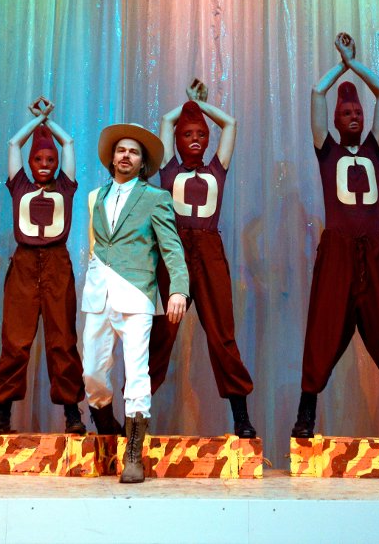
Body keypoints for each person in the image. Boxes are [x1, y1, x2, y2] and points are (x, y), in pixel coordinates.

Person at [292, 33, 379, 441]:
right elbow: (317, 93)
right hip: (337, 253)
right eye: (346, 112)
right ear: (335, 121)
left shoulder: (373, 147)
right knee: (323, 330)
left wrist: (355, 64)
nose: (353, 115)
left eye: (357, 111)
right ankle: (305, 414)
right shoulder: (327, 150)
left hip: (374, 252)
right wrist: (341, 65)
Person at [148, 80, 256, 438]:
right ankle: (136, 417)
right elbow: (166, 121)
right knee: (161, 335)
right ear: (177, 140)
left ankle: (241, 417)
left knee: (222, 334)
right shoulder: (169, 169)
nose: (195, 138)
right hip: (173, 255)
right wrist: (188, 105)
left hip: (210, 254)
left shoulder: (216, 170)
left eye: (200, 134)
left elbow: (231, 124)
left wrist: (201, 106)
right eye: (187, 134)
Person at [83, 123, 189, 483]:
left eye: (133, 152)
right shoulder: (95, 196)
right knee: (92, 372)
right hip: (99, 293)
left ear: (143, 163)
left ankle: (133, 454)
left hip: (137, 293)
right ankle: (106, 424)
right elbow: (97, 244)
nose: (125, 156)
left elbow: (171, 247)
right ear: (112, 158)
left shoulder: (155, 198)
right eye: (121, 150)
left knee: (137, 373)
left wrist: (178, 289)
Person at [0, 98, 87, 435]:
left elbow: (69, 142)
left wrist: (48, 121)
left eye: (50, 160)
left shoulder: (65, 187)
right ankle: (3, 410)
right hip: (24, 264)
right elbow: (14, 143)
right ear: (29, 163)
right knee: (15, 340)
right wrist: (36, 122)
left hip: (57, 264)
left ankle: (72, 412)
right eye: (38, 159)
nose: (44, 164)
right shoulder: (21, 186)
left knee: (62, 341)